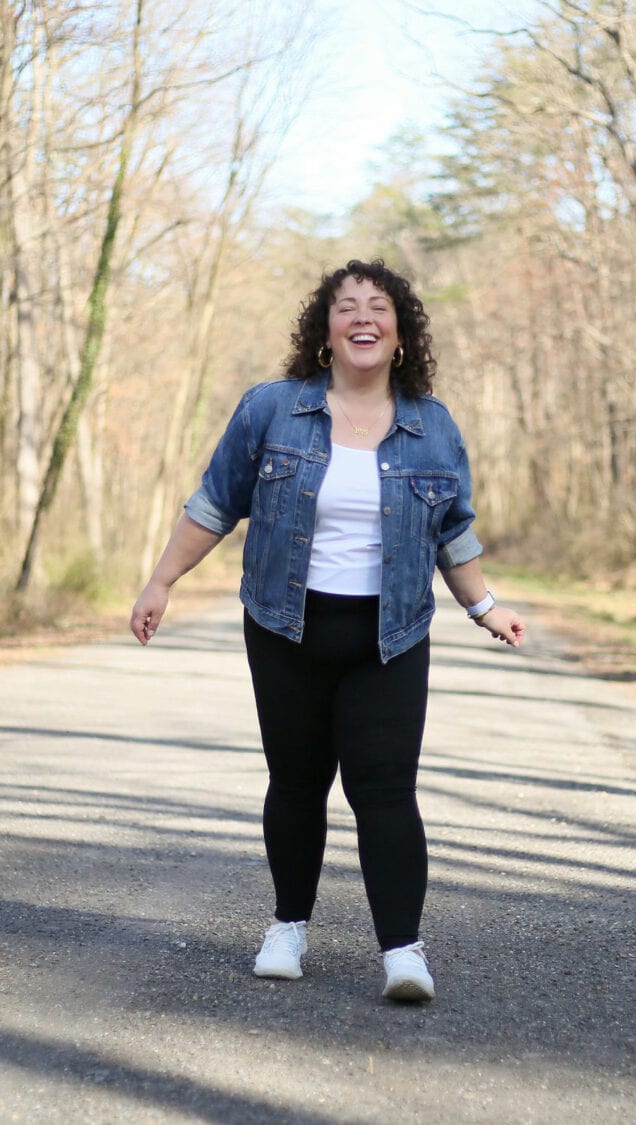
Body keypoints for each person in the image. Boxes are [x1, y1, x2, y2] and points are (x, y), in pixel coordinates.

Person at [130, 258, 525, 1002]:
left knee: (384, 788)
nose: (363, 317)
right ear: (326, 331)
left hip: (391, 634)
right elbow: (215, 503)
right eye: (347, 307)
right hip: (286, 625)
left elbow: (453, 530)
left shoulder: (431, 424)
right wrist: (161, 581)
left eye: (379, 306)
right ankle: (288, 925)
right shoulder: (273, 409)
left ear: (401, 335)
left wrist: (484, 606)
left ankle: (403, 952)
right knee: (297, 780)